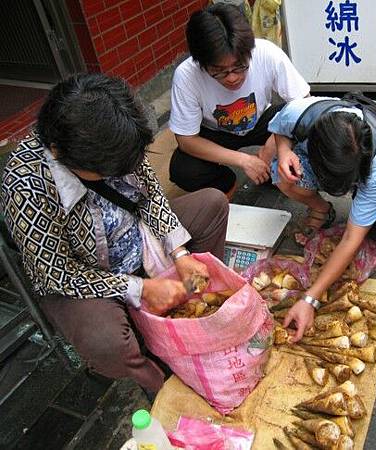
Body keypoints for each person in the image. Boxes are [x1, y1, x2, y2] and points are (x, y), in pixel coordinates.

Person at [0, 73, 229, 395]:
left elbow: (150, 197)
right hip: (85, 271)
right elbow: (56, 273)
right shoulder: (25, 184)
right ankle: (161, 384)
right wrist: (141, 287)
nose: (119, 174)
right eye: (105, 171)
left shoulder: (118, 133)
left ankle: (192, 304)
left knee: (212, 204)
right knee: (107, 344)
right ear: (58, 151)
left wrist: (181, 254)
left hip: (136, 238)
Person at [269, 94, 376, 340]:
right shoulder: (301, 113)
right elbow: (280, 130)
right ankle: (321, 208)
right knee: (282, 172)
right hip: (335, 164)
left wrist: (310, 298)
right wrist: (284, 150)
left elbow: (351, 238)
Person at [168, 3, 309, 194]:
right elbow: (186, 140)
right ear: (200, 62)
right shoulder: (186, 75)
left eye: (240, 66)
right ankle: (225, 183)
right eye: (218, 71)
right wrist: (245, 161)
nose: (232, 78)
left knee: (305, 126)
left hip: (261, 120)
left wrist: (272, 148)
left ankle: (271, 174)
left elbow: (304, 102)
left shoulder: (266, 53)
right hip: (214, 131)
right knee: (184, 170)